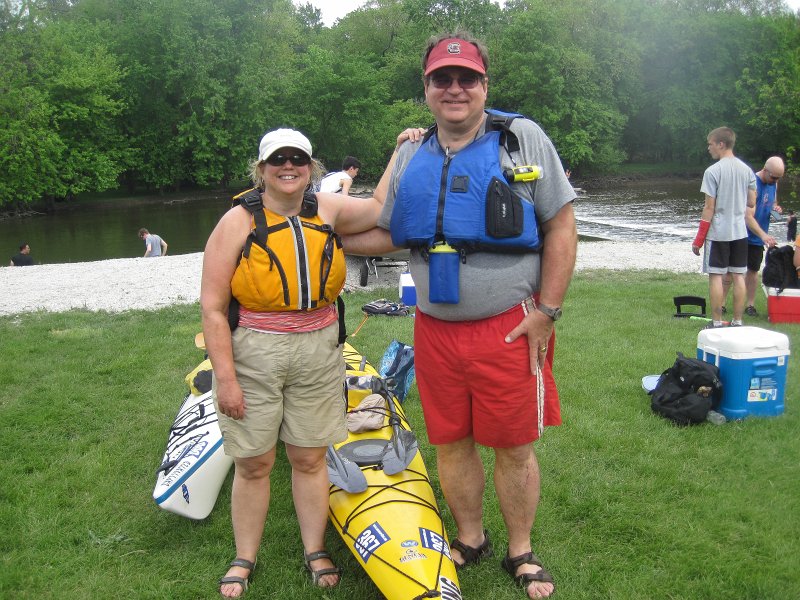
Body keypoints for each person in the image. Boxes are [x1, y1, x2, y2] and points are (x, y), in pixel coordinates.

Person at [342, 31, 576, 599]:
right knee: (451, 442)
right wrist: (316, 230)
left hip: (509, 326)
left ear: (484, 84)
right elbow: (387, 229)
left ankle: (520, 550)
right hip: (435, 328)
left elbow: (561, 226)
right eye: (441, 79)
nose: (454, 88)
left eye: (466, 77)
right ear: (425, 88)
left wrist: (546, 311)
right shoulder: (408, 151)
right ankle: (470, 538)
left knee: (514, 445)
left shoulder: (521, 139)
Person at [200, 128, 384, 598]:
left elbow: (382, 209)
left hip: (318, 349)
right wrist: (226, 379)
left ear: (311, 168)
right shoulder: (236, 222)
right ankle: (245, 556)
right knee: (255, 462)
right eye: (277, 159)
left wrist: (404, 150)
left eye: (297, 159)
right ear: (261, 170)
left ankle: (315, 548)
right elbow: (213, 308)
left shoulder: (328, 208)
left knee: (309, 455)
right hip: (256, 351)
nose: (288, 166)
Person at [691, 127, 758, 327]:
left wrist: (699, 239)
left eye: (710, 144)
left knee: (716, 276)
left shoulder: (712, 171)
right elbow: (752, 202)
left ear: (721, 144)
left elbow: (709, 208)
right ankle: (738, 321)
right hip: (739, 231)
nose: (708, 148)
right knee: (738, 276)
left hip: (719, 232)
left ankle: (717, 322)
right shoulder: (747, 170)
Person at [721, 157, 782, 316]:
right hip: (740, 234)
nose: (775, 180)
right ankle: (721, 304)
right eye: (774, 177)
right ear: (765, 169)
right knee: (731, 270)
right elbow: (747, 216)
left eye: (778, 178)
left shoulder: (773, 183)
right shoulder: (752, 183)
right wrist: (764, 236)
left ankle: (750, 305)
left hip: (758, 237)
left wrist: (777, 212)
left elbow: (771, 206)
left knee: (753, 270)